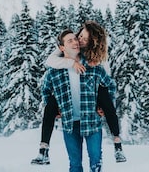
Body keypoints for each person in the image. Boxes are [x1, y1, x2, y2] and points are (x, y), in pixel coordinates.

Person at [31, 21, 126, 165]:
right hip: (70, 123)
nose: (78, 41)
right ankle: (43, 149)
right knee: (75, 164)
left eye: (83, 39)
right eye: (77, 37)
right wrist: (71, 63)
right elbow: (46, 85)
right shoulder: (56, 67)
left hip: (91, 120)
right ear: (62, 46)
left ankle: (117, 143)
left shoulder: (93, 63)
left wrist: (104, 105)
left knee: (96, 161)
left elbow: (109, 82)